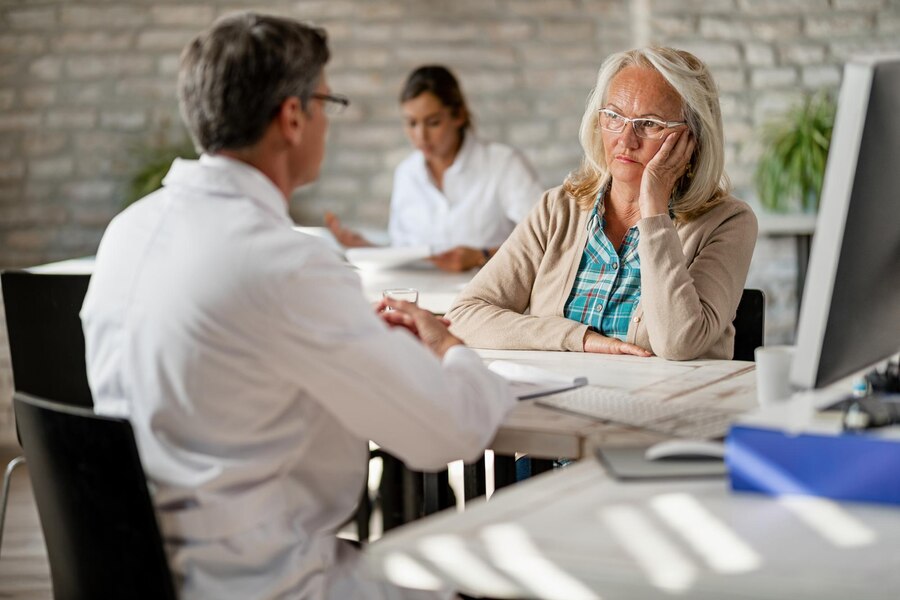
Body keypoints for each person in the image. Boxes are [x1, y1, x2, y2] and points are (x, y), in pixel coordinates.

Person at [80, 13, 514, 600]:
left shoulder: (126, 232)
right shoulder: (284, 262)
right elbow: (450, 434)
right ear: (292, 117)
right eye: (327, 103)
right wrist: (448, 346)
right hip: (266, 584)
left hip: (144, 574)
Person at [446, 47, 758, 360]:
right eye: (613, 116)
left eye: (649, 123)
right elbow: (464, 317)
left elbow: (680, 343)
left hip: (670, 405)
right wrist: (577, 338)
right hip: (564, 400)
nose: (626, 139)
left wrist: (654, 210)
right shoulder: (558, 210)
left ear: (692, 140)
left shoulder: (729, 222)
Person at [325, 65, 543, 272]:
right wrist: (368, 249)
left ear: (458, 115)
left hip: (487, 300)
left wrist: (482, 255)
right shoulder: (406, 173)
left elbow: (545, 239)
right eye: (411, 123)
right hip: (419, 298)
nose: (421, 136)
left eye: (433, 122)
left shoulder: (504, 164)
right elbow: (405, 252)